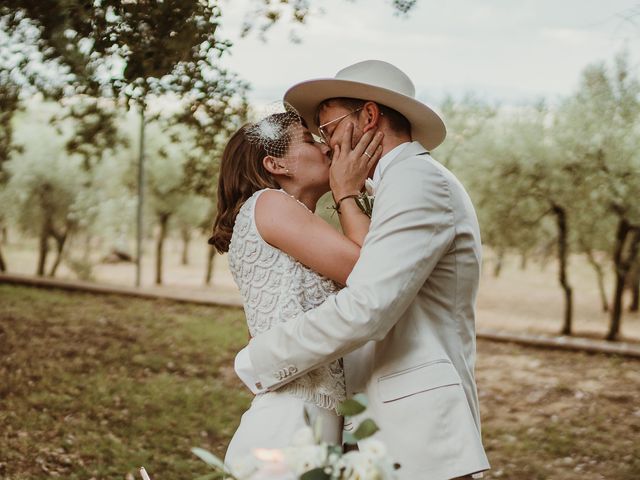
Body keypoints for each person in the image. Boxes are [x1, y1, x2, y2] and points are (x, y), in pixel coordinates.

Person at [234, 60, 491, 479]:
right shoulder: (393, 187)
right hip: (371, 430)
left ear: (369, 117)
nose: (328, 146)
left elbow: (367, 305)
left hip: (418, 436)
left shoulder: (416, 181)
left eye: (329, 129)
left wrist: (257, 358)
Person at [208, 111, 384, 468]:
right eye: (309, 139)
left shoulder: (288, 222)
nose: (325, 147)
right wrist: (346, 191)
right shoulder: (269, 203)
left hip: (319, 425)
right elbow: (371, 272)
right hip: (288, 426)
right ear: (276, 164)